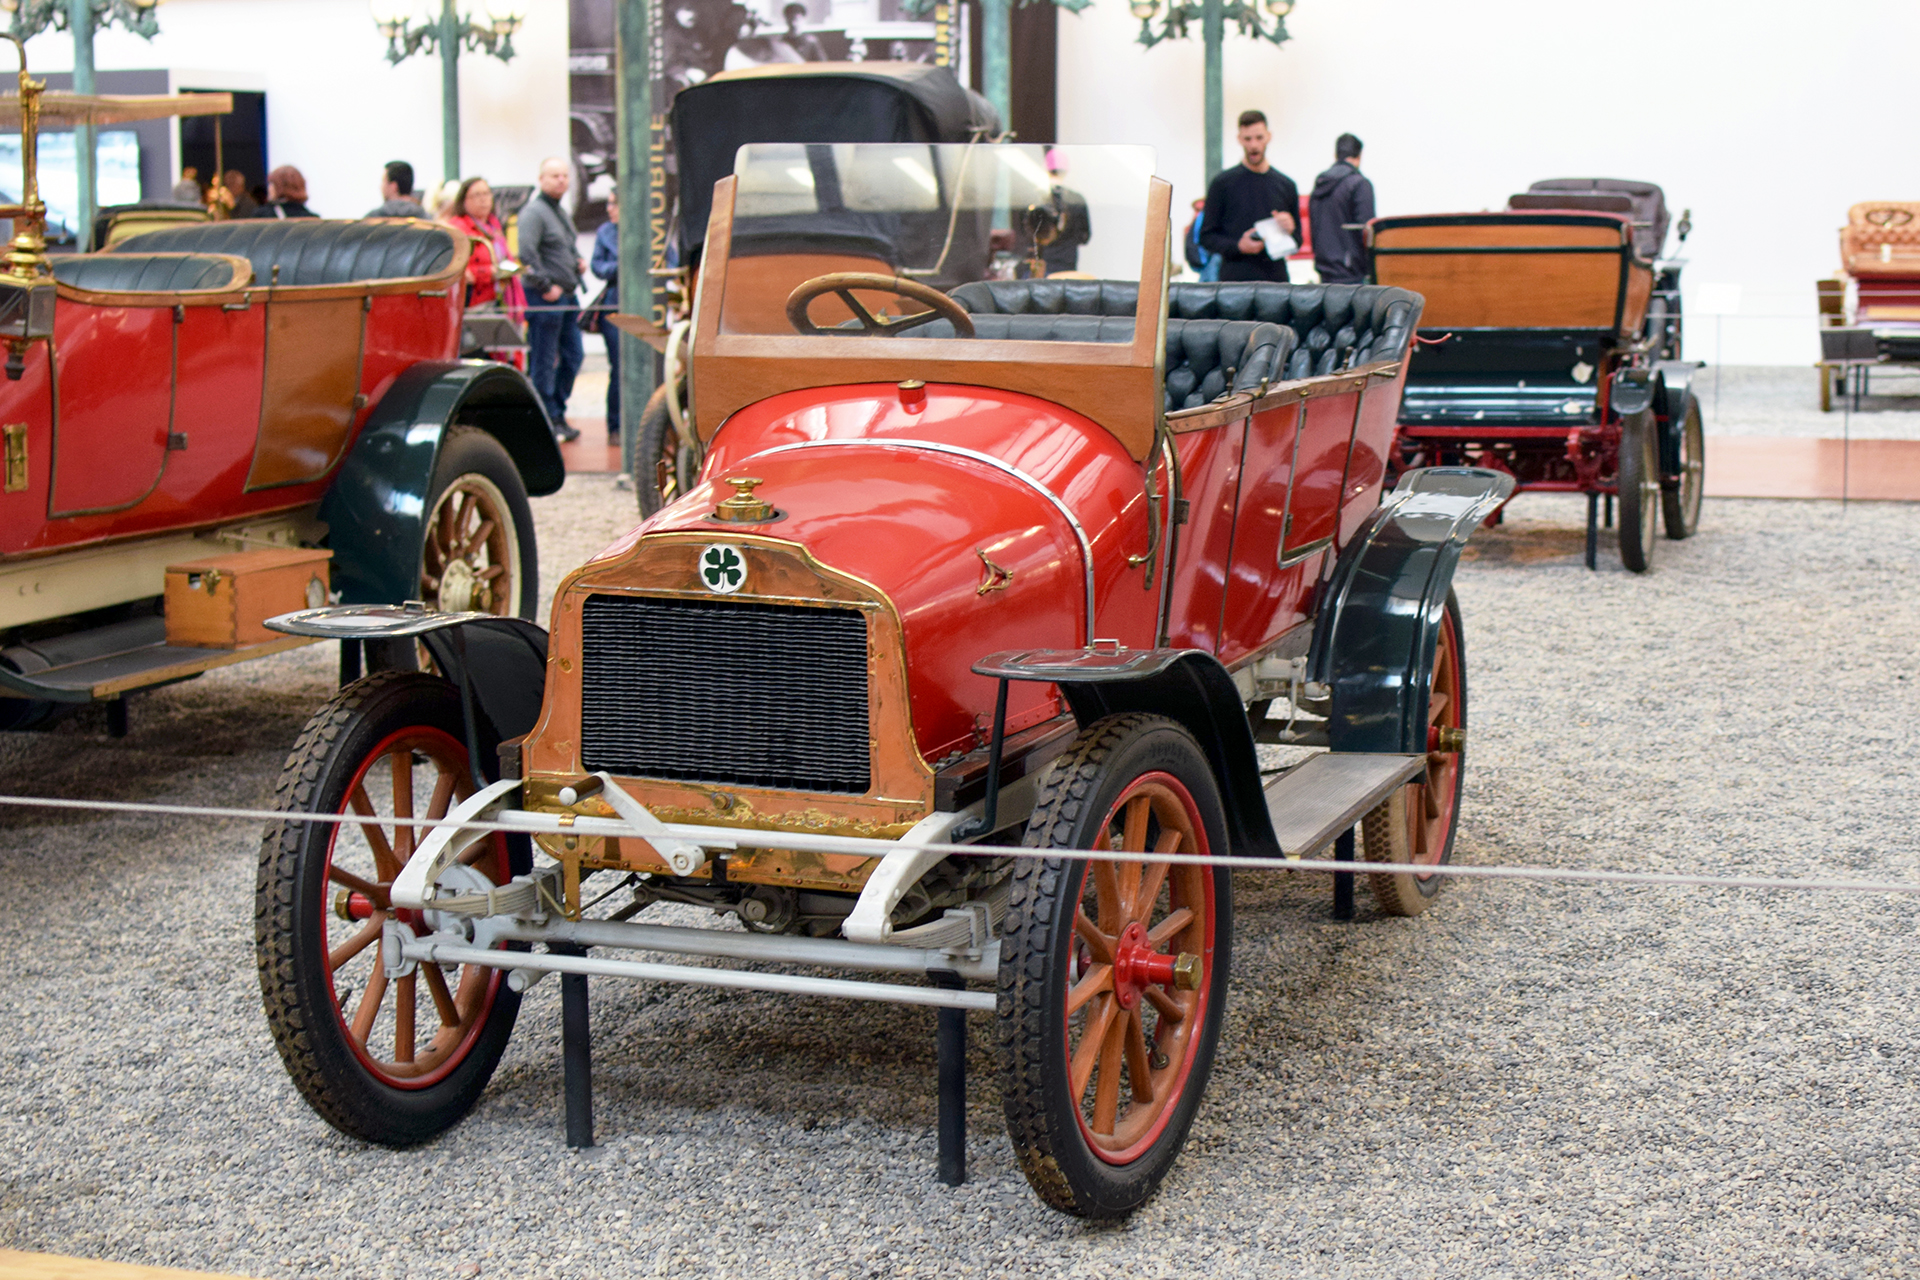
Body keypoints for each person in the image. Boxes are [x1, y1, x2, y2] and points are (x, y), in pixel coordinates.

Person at [520, 157, 586, 442]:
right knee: (544, 361)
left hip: (568, 297)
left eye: (564, 175)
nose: (561, 180)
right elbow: (526, 254)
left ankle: (556, 411)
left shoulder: (560, 211)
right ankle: (547, 418)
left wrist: (577, 261)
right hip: (546, 298)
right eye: (554, 176)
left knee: (574, 356)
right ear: (541, 179)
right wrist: (545, 285)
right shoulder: (534, 213)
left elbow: (561, 247)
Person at [1197, 110, 1299, 283]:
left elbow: (1298, 240)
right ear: (1239, 139)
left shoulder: (1286, 185)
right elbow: (1206, 237)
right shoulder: (1223, 184)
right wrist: (1238, 246)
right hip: (1234, 283)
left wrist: (1289, 229)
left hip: (1275, 282)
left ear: (1269, 137)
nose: (1254, 145)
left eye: (1259, 138)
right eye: (1248, 139)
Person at [445, 176, 527, 368]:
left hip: (500, 302)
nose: (483, 199)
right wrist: (488, 273)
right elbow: (457, 270)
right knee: (480, 361)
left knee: (502, 362)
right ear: (464, 200)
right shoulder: (458, 228)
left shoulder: (493, 225)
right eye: (476, 195)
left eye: (486, 194)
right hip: (475, 307)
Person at [1309, 134, 1375, 285]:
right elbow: (1366, 232)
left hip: (1324, 272)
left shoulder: (1319, 185)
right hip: (1352, 274)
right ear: (1359, 156)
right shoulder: (1359, 184)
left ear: (1336, 155)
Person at [589, 187, 622, 442]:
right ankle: (615, 426)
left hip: (645, 306)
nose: (609, 209)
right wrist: (623, 266)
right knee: (618, 367)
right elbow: (597, 266)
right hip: (613, 305)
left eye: (614, 204)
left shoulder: (650, 228)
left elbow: (668, 257)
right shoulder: (605, 232)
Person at [253, 166, 317, 218]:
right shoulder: (314, 219)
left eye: (271, 184)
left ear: (276, 187)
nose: (269, 188)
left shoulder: (263, 215)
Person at [1183, 197, 1219, 282]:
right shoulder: (1193, 225)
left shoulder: (1203, 219)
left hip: (1209, 261)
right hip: (1205, 263)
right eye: (1196, 210)